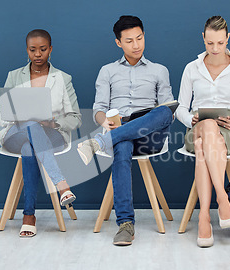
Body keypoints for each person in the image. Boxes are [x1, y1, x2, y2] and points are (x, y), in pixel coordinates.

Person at [77, 15, 174, 246]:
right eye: (129, 40)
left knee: (163, 112)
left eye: (140, 38)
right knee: (122, 144)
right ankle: (125, 225)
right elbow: (98, 110)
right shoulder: (107, 71)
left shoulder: (159, 70)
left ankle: (100, 142)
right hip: (120, 129)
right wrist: (105, 123)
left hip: (151, 134)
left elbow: (168, 109)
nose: (136, 45)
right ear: (118, 43)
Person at [175, 16, 230, 247]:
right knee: (207, 125)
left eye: (220, 43)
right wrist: (191, 118)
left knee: (203, 147)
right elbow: (180, 106)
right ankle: (222, 199)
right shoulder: (192, 68)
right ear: (203, 38)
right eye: (210, 43)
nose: (215, 48)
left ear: (228, 38)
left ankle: (203, 219)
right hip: (198, 126)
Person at [0, 29, 81, 237]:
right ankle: (62, 186)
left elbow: (75, 118)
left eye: (43, 49)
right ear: (27, 50)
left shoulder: (62, 78)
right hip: (14, 133)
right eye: (33, 50)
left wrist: (53, 123)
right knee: (31, 125)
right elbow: (0, 113)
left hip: (51, 135)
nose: (38, 54)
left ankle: (29, 216)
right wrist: (17, 116)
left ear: (50, 50)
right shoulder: (14, 76)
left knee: (29, 147)